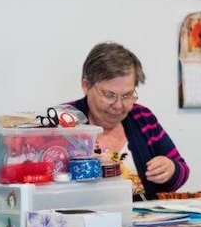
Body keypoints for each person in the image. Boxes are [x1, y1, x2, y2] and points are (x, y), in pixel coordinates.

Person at [69, 42, 190, 198]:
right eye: (109, 95)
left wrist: (171, 169)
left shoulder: (143, 118)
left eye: (127, 95)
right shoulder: (65, 121)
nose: (119, 106)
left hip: (144, 219)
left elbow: (182, 169)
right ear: (86, 86)